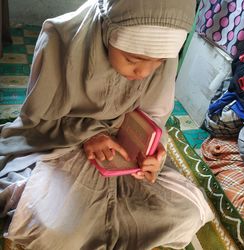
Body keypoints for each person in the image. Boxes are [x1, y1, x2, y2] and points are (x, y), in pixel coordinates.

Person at [0, 0, 214, 249]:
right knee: (54, 231)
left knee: (187, 213)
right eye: (133, 59)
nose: (144, 72)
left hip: (123, 151)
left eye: (157, 62)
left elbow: (154, 117)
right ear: (108, 29)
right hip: (63, 144)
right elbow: (37, 120)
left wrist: (153, 151)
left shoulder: (163, 54)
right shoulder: (60, 39)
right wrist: (88, 135)